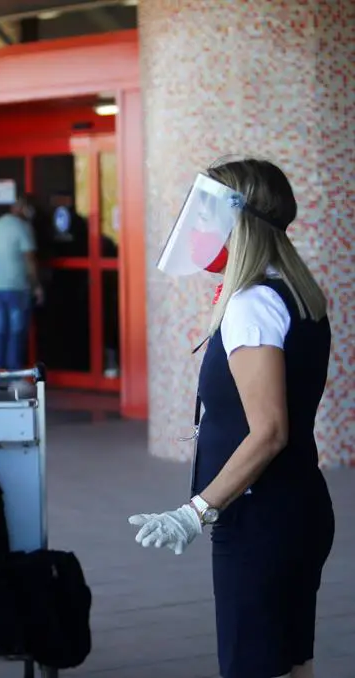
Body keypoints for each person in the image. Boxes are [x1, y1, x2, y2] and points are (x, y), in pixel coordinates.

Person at [128, 159, 335, 678]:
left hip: (260, 520)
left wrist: (194, 511)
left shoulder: (253, 303)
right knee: (291, 665)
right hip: (294, 508)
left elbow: (268, 432)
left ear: (237, 222)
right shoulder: (292, 289)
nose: (197, 230)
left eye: (205, 216)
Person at [0, 196, 44, 370]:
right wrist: (37, 286)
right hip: (17, 285)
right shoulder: (23, 227)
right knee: (17, 331)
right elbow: (30, 260)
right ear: (23, 208)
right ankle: (14, 372)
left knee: (1, 329)